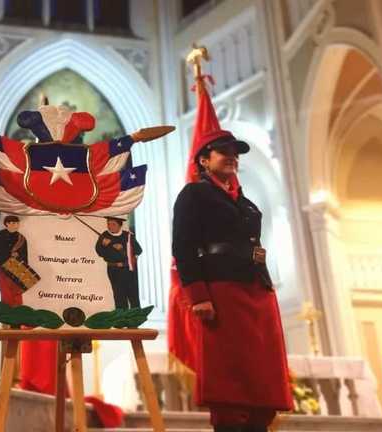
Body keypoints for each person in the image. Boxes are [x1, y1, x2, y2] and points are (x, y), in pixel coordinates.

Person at [171, 74, 292, 432]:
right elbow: (183, 246)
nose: (232, 158)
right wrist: (198, 296)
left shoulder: (247, 203)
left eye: (236, 154)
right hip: (221, 293)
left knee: (262, 378)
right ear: (204, 159)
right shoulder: (193, 195)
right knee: (231, 380)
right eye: (224, 152)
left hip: (257, 293)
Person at [95, 216, 142, 309]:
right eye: (108, 224)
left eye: (113, 224)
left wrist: (123, 249)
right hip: (113, 270)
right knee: (118, 294)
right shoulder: (104, 235)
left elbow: (138, 250)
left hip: (128, 270)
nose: (110, 226)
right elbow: (99, 252)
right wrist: (104, 245)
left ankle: (135, 318)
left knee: (132, 293)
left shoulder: (128, 236)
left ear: (120, 225)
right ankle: (121, 318)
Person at [0, 215, 29, 305]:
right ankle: (7, 311)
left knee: (17, 290)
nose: (15, 225)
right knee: (5, 289)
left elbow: (25, 255)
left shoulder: (22, 238)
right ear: (7, 224)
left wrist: (24, 268)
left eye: (16, 223)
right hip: (2, 265)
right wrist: (9, 255)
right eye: (12, 223)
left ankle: (17, 312)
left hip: (18, 266)